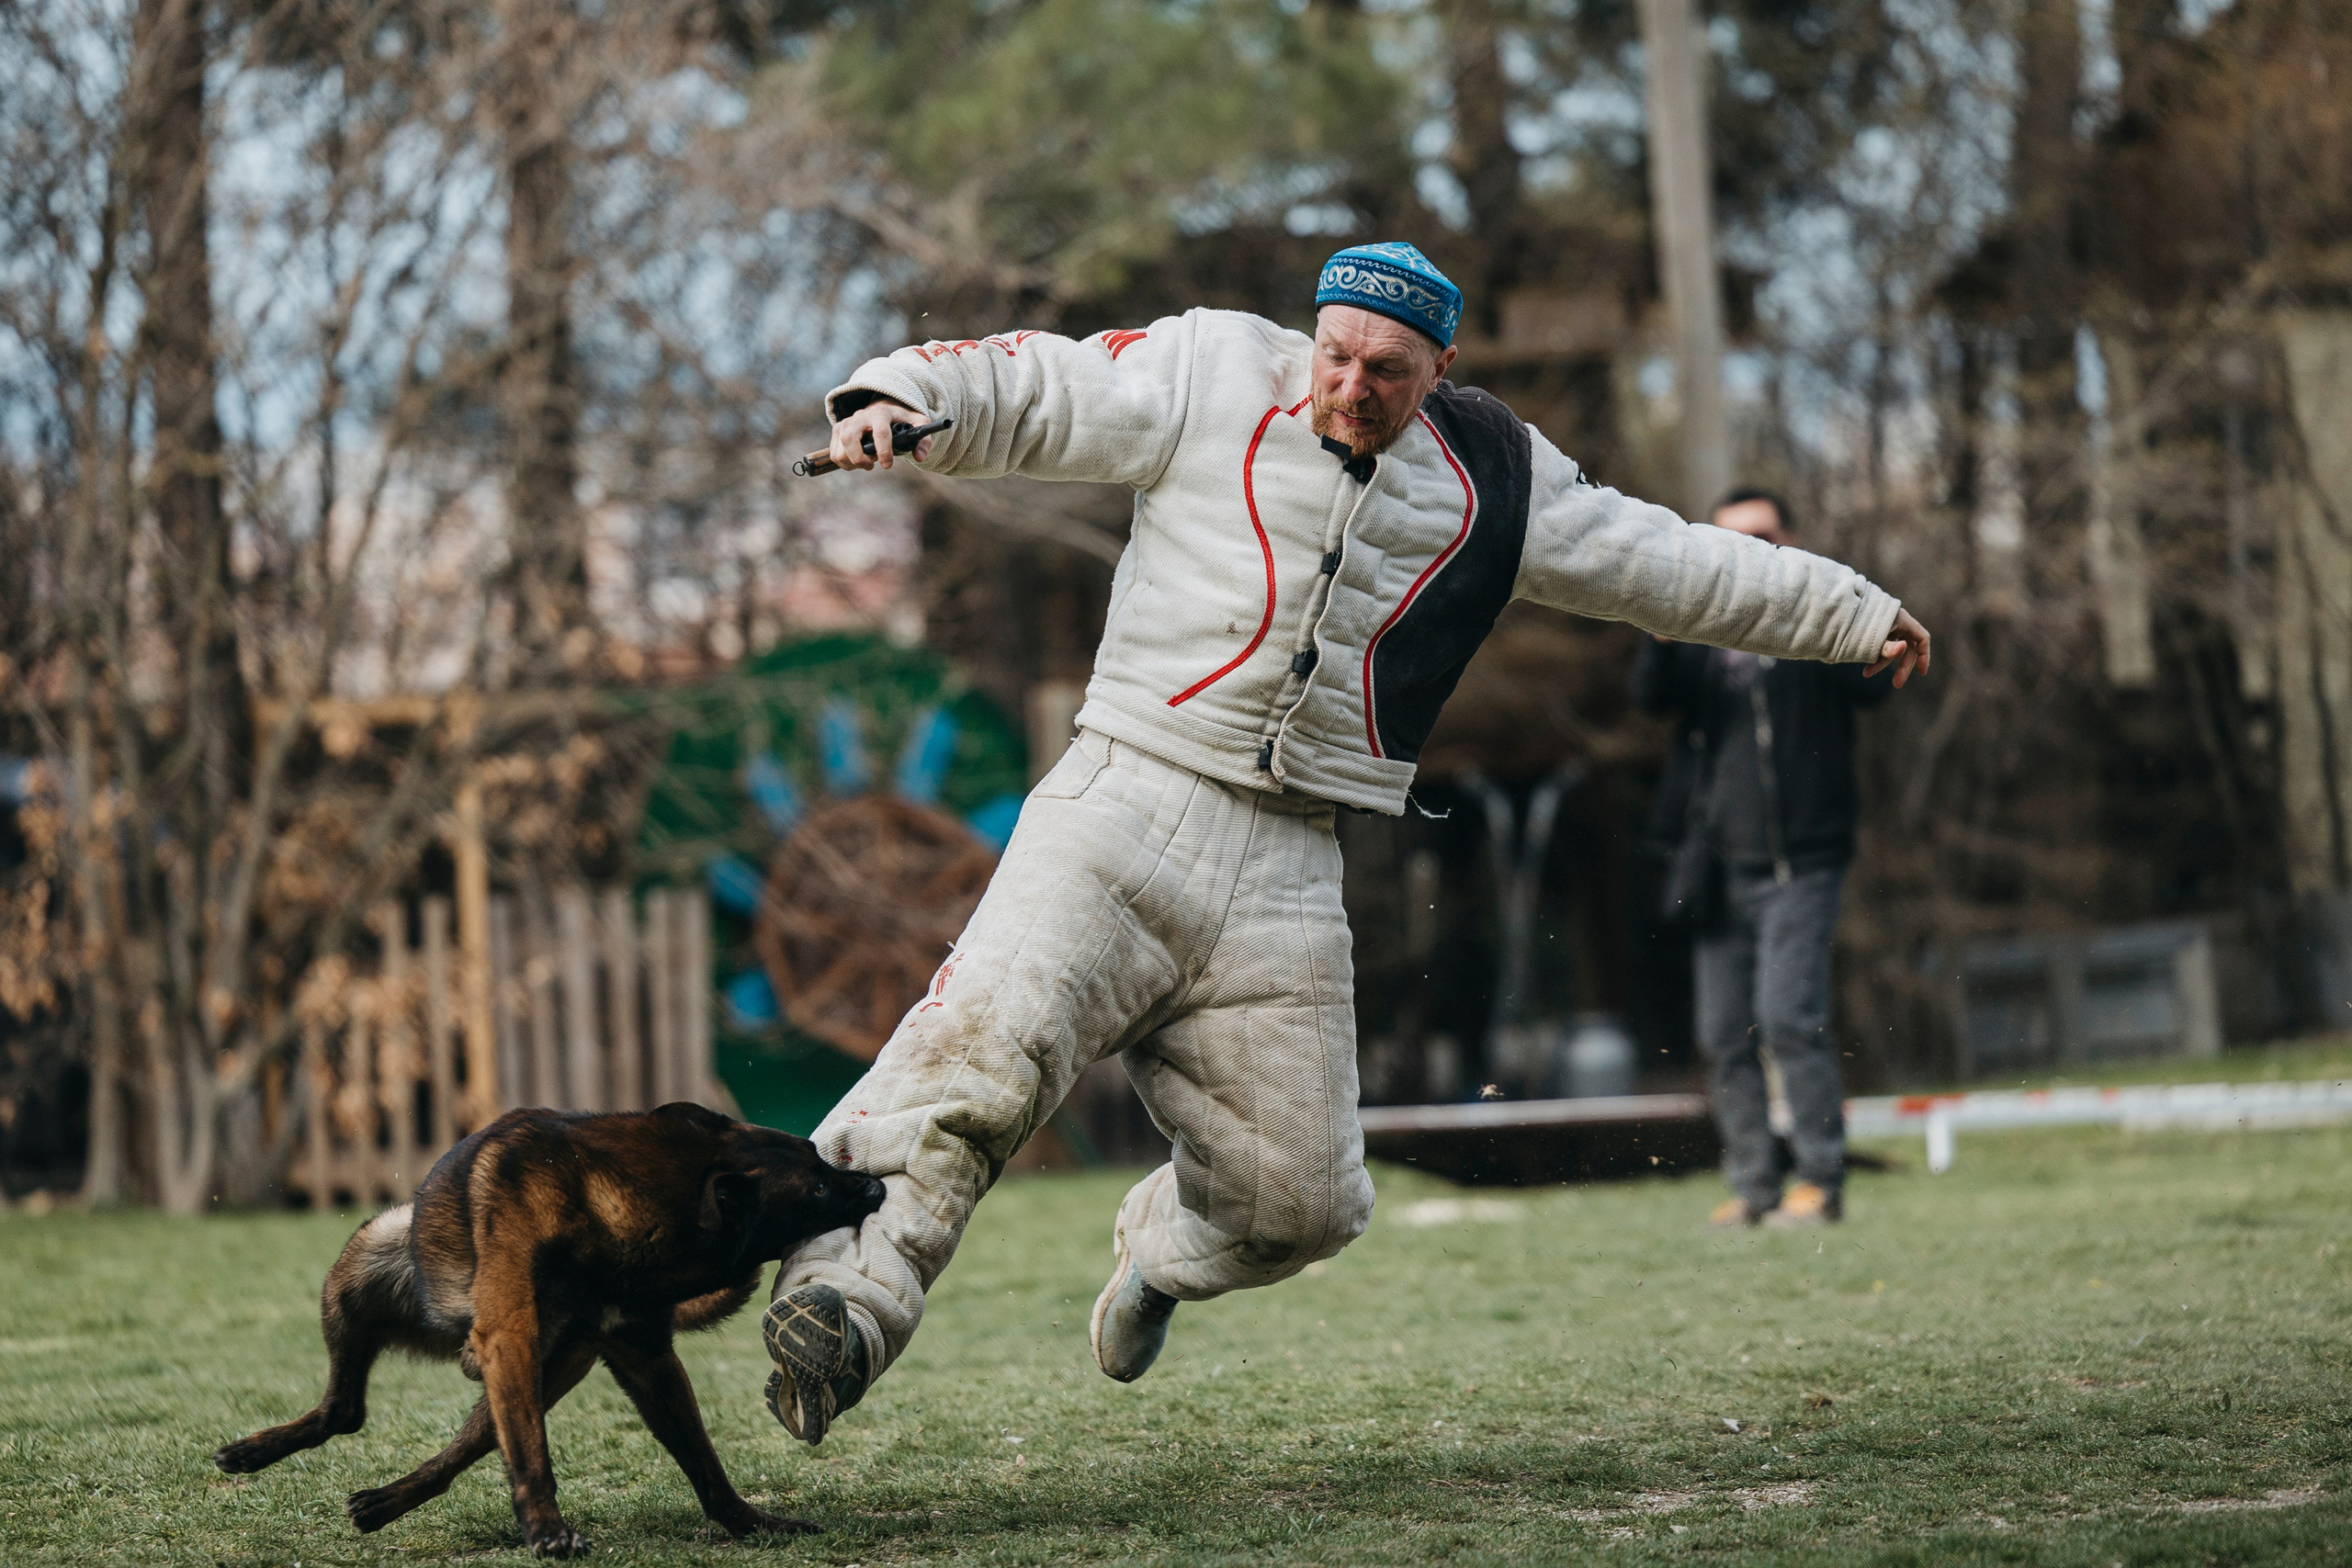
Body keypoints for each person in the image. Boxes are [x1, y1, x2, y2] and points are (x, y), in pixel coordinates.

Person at [760, 244, 1931, 1444]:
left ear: (1441, 370)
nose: (1353, 387)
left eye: (1386, 370)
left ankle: (1164, 1252)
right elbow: (1045, 385)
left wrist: (1847, 612)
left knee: (1304, 1203)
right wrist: (898, 397)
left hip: (1288, 862)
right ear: (1309, 336)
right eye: (1335, 356)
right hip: (1120, 804)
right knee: (974, 1061)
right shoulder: (1213, 368)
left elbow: (1664, 563)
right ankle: (845, 1298)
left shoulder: (1498, 479)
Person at [1632, 488, 1894, 1229]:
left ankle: (1820, 1179)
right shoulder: (1697, 625)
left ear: (1792, 537)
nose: (1749, 549)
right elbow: (1647, 695)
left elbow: (1871, 689)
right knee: (1722, 1035)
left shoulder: (1816, 619)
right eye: (1732, 539)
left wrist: (1835, 607)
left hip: (1803, 862)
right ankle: (1755, 1187)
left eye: (1765, 535)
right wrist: (1661, 621)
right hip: (1718, 869)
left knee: (1788, 1019)